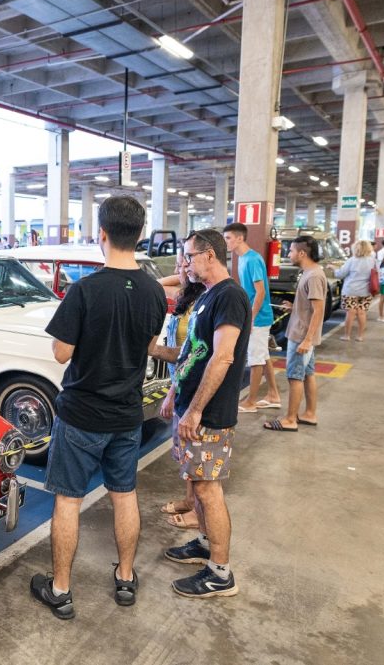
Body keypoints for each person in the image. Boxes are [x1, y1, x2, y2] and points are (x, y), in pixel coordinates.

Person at [30, 196, 166, 618]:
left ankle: (61, 590)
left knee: (68, 500)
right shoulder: (154, 291)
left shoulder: (84, 290)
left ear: (101, 234)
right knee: (124, 496)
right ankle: (125, 578)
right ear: (140, 235)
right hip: (126, 415)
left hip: (81, 416)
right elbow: (149, 346)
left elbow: (61, 353)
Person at [156, 228, 249, 598]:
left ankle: (220, 573)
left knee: (209, 490)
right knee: (197, 484)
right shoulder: (208, 296)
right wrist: (174, 392)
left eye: (189, 257)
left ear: (210, 255)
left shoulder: (230, 296)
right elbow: (192, 352)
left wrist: (195, 410)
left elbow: (222, 357)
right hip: (190, 406)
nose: (184, 264)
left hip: (209, 414)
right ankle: (205, 544)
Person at [152, 254, 206, 530]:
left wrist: (171, 392)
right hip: (181, 381)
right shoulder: (186, 296)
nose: (178, 271)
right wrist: (181, 272)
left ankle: (197, 511)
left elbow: (191, 354)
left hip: (189, 383)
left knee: (194, 450)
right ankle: (189, 500)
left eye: (183, 264)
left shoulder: (202, 301)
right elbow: (159, 284)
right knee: (184, 449)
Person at [264, 235, 325, 432]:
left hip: (301, 336)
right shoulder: (310, 273)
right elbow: (310, 307)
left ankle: (290, 419)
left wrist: (307, 340)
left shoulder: (313, 276)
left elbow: (318, 310)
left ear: (302, 253)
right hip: (302, 334)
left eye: (291, 251)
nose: (288, 254)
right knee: (307, 374)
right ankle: (310, 414)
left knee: (295, 376)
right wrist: (295, 307)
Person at [223, 223, 281, 412]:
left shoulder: (253, 259)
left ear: (240, 238)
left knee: (255, 359)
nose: (225, 242)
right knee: (263, 355)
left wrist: (251, 318)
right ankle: (273, 395)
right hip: (255, 316)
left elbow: (260, 292)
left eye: (228, 238)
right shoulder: (242, 259)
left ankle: (251, 402)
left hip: (259, 318)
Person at [336, 240, 376, 342]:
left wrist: (333, 269)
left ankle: (347, 336)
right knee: (362, 313)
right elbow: (377, 274)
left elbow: (340, 274)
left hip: (351, 290)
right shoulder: (373, 261)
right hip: (365, 291)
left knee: (350, 313)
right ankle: (360, 336)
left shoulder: (352, 260)